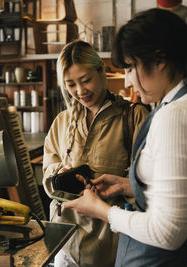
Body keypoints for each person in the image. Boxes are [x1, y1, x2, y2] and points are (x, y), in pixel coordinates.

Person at [63, 8, 187, 267]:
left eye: (131, 67)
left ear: (160, 60)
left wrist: (103, 211)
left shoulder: (175, 117)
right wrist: (127, 185)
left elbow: (167, 233)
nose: (129, 81)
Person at [42, 40, 149, 267]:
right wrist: (60, 173)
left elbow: (147, 186)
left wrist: (119, 186)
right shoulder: (61, 122)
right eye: (71, 84)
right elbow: (47, 174)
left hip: (110, 246)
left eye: (86, 80)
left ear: (101, 71)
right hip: (65, 243)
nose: (80, 91)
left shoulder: (134, 117)